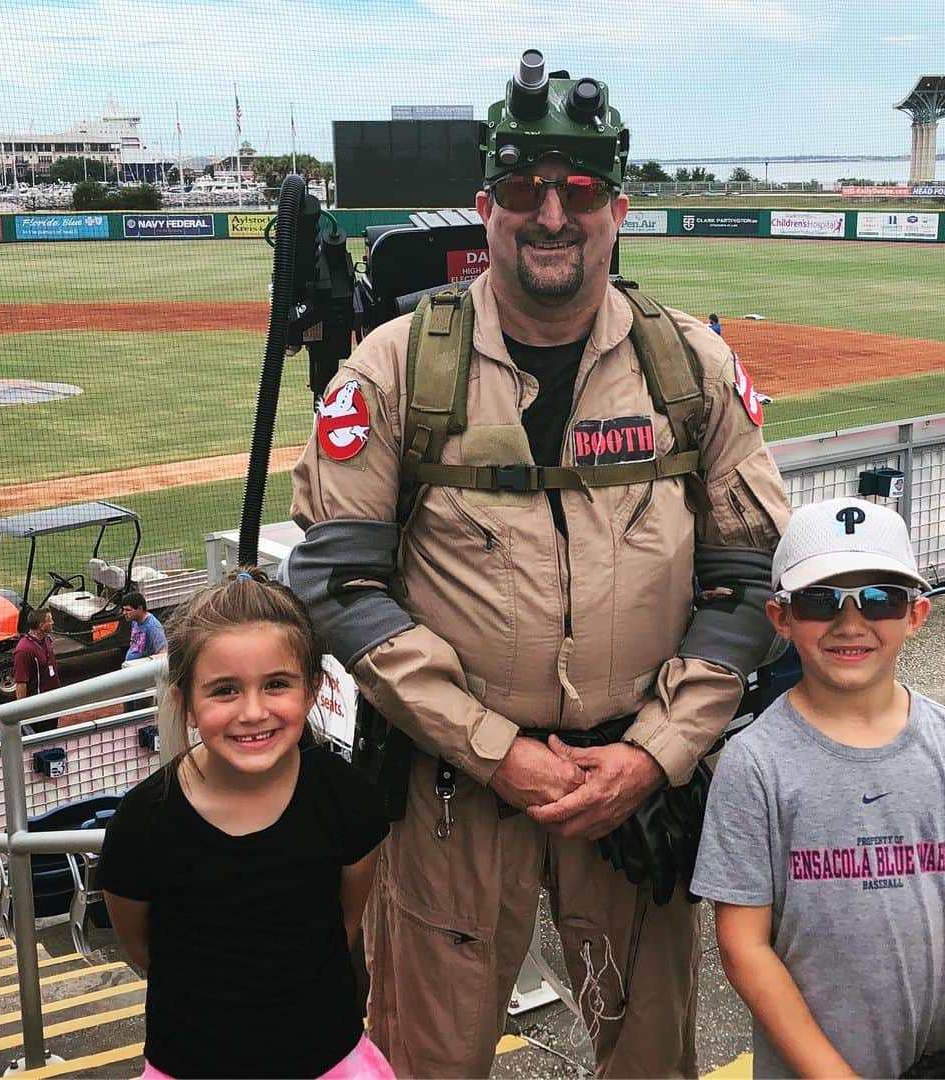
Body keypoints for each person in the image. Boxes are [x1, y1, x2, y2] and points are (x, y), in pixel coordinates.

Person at [285, 52, 791, 1078]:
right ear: (487, 206)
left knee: (652, 1058)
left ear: (618, 207)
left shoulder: (688, 366)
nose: (552, 214)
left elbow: (746, 574)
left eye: (581, 189)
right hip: (452, 797)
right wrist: (492, 747)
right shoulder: (392, 365)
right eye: (524, 189)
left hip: (633, 793)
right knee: (428, 1062)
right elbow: (340, 584)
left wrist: (657, 751)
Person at [691, 498, 945, 1079]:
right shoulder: (755, 764)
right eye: (821, 601)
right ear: (780, 618)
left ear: (917, 614)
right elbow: (744, 945)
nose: (851, 622)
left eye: (881, 598)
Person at [97, 570, 394, 1080]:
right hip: (191, 1062)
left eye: (276, 684)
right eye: (225, 691)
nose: (253, 712)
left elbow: (342, 925)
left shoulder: (348, 799)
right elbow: (145, 949)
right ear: (186, 702)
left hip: (326, 1057)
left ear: (312, 690)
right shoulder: (141, 825)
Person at [13, 607, 60, 733]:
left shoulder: (46, 639)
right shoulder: (24, 650)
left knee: (51, 736)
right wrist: (22, 711)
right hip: (37, 707)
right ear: (41, 625)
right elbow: (21, 683)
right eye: (49, 620)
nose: (53, 622)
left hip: (52, 702)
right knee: (39, 743)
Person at [122, 592, 167, 661]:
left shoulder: (153, 627)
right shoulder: (135, 621)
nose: (124, 613)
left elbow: (162, 652)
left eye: (128, 610)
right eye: (123, 609)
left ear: (140, 608)